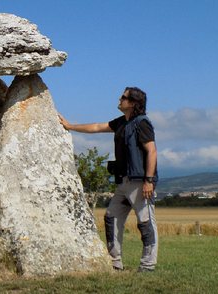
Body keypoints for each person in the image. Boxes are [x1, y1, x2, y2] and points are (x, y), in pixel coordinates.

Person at [58, 87, 158, 272]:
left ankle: (148, 265)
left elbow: (151, 151)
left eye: (124, 97)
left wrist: (149, 181)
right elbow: (96, 127)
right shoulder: (121, 122)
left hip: (139, 182)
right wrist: (70, 126)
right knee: (111, 217)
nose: (119, 99)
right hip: (123, 182)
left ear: (133, 103)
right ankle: (115, 262)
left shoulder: (142, 123)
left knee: (145, 222)